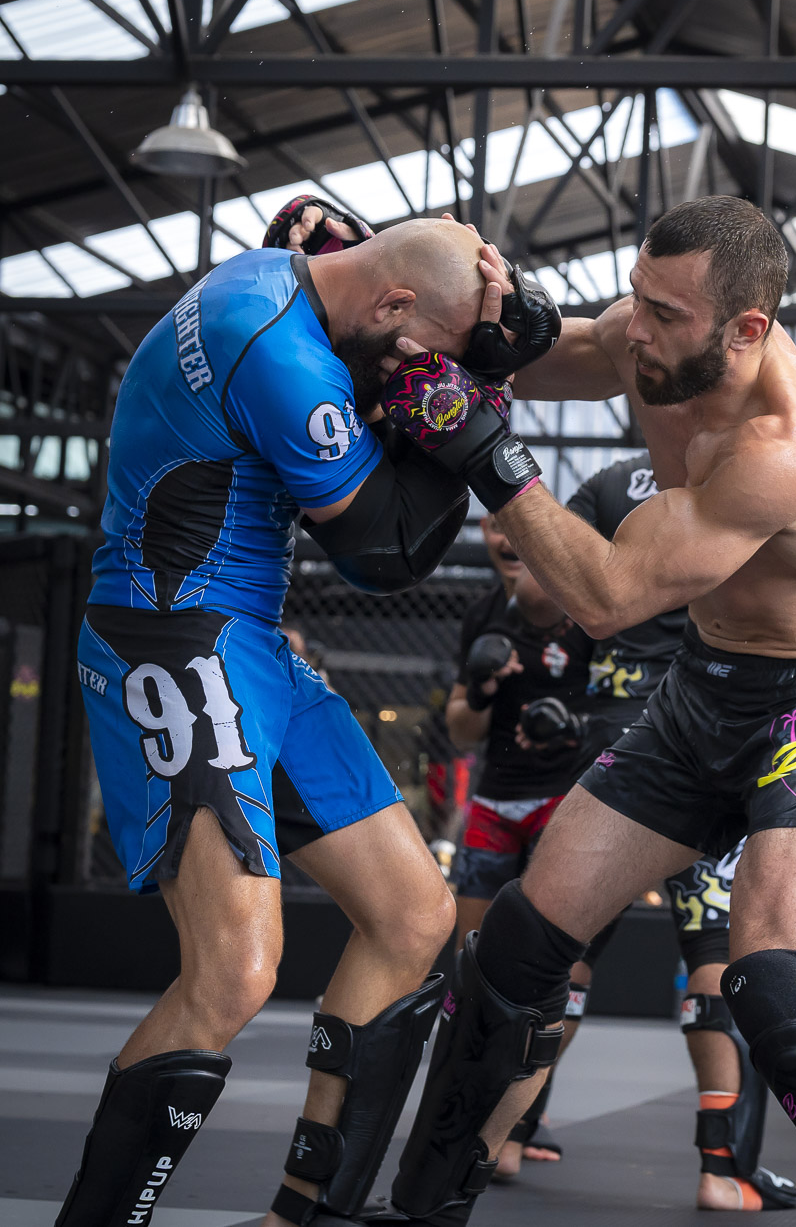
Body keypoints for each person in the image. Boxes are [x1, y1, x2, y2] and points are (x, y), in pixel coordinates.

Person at [356, 195, 796, 1226]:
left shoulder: (789, 442)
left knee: (779, 995)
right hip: (698, 691)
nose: (634, 326)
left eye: (665, 312)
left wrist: (486, 450)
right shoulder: (645, 336)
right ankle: (423, 1209)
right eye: (636, 295)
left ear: (747, 328)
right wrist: (415, 315)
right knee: (513, 946)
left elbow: (606, 596)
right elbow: (539, 357)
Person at [59, 212, 562, 1227]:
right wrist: (474, 410)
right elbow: (386, 553)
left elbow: (410, 380)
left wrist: (484, 364)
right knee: (233, 971)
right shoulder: (279, 354)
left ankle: (304, 1214)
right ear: (391, 300)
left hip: (249, 641)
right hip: (173, 631)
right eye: (427, 350)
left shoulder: (294, 287)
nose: (424, 373)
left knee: (413, 916)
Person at [511, 452, 796, 1211]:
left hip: (614, 741)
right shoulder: (752, 471)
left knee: (566, 948)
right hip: (704, 732)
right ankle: (721, 1170)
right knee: (712, 948)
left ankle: (506, 1134)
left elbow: (537, 585)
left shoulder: (610, 484)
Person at [446, 513, 593, 1175]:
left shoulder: (594, 613)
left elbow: (630, 709)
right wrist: (482, 689)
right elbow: (460, 729)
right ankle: (460, 1109)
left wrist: (574, 727)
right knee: (473, 961)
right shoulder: (483, 615)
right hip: (494, 801)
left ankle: (523, 1113)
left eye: (516, 526)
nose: (506, 539)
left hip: (566, 802)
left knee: (557, 962)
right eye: (493, 527)